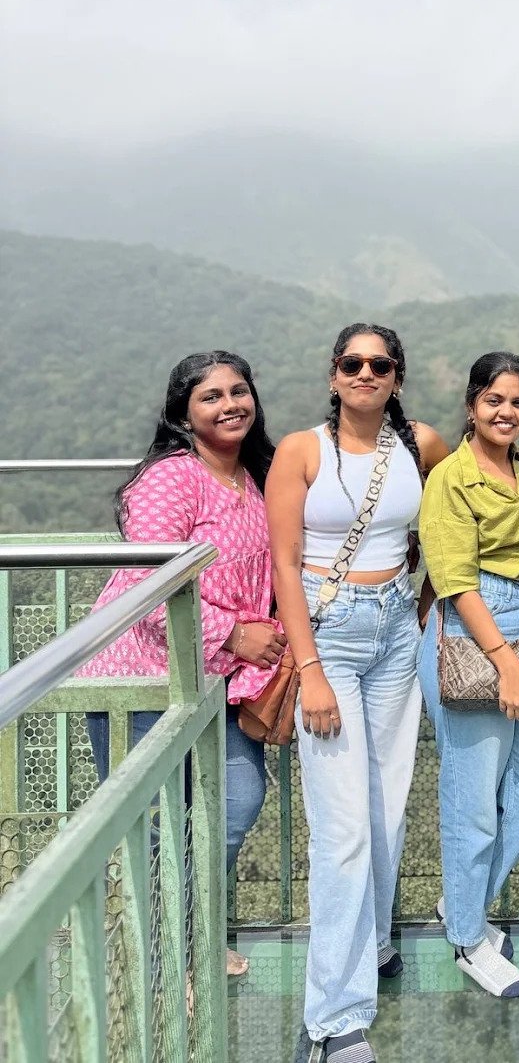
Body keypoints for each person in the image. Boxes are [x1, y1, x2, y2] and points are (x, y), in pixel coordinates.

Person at [265, 323, 449, 1063]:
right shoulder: (301, 451)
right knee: (342, 828)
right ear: (333, 374)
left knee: (386, 803)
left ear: (397, 376)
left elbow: (461, 518)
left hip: (397, 626)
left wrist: (429, 602)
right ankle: (336, 1017)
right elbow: (283, 563)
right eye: (353, 362)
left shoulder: (421, 445)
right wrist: (309, 668)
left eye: (380, 364)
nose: (365, 373)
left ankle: (370, 944)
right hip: (329, 633)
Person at [81, 350, 284, 978]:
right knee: (156, 828)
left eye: (238, 391)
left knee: (237, 800)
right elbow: (147, 584)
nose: (230, 405)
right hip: (143, 676)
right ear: (183, 412)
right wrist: (234, 634)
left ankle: (187, 937)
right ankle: (168, 964)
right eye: (211, 396)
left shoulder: (256, 475)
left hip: (215, 680)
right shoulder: (172, 478)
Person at [416, 352, 519, 1001]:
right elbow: (454, 581)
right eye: (494, 400)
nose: (506, 412)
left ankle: (463, 902)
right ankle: (469, 940)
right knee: (471, 802)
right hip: (473, 636)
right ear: (472, 405)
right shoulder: (452, 477)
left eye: (518, 402)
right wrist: (506, 664)